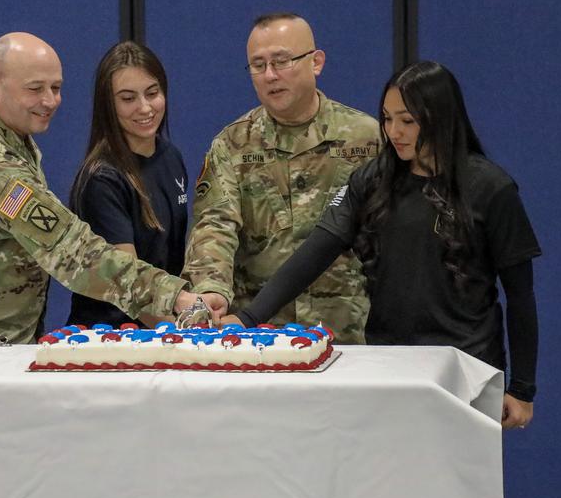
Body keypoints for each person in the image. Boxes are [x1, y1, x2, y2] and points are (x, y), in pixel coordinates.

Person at [224, 61, 541, 429]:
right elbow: (313, 255)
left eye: (408, 121)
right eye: (387, 119)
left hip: (467, 370)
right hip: (390, 367)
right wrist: (247, 318)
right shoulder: (371, 182)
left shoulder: (491, 189)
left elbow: (520, 296)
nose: (394, 132)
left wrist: (522, 388)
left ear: (440, 118)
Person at [0, 32, 206, 362]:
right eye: (35, 89)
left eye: (56, 88)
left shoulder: (4, 134)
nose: (50, 101)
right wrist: (172, 295)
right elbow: (71, 250)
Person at [182, 13, 381, 344]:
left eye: (281, 61)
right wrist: (211, 289)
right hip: (261, 334)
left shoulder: (366, 139)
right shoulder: (232, 144)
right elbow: (214, 226)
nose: (270, 75)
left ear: (316, 62)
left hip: (347, 331)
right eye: (257, 66)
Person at [67, 41, 188, 328]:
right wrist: (190, 327)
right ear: (108, 105)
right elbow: (129, 287)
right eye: (128, 98)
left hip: (162, 329)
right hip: (113, 338)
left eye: (152, 93)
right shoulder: (102, 179)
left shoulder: (170, 156)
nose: (145, 107)